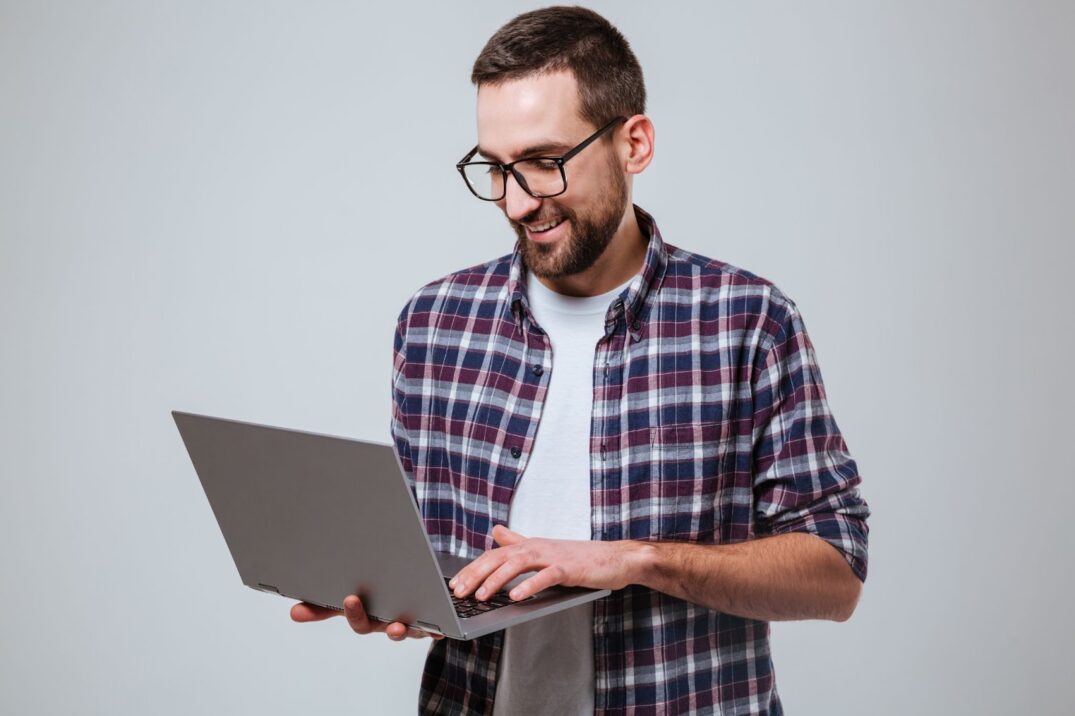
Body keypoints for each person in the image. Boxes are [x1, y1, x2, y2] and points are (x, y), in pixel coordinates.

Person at [292, 6, 869, 714]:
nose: (517, 201)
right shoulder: (434, 322)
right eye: (495, 168)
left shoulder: (745, 321)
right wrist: (383, 592)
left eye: (543, 163)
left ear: (634, 143)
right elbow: (428, 565)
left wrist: (637, 559)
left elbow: (835, 573)